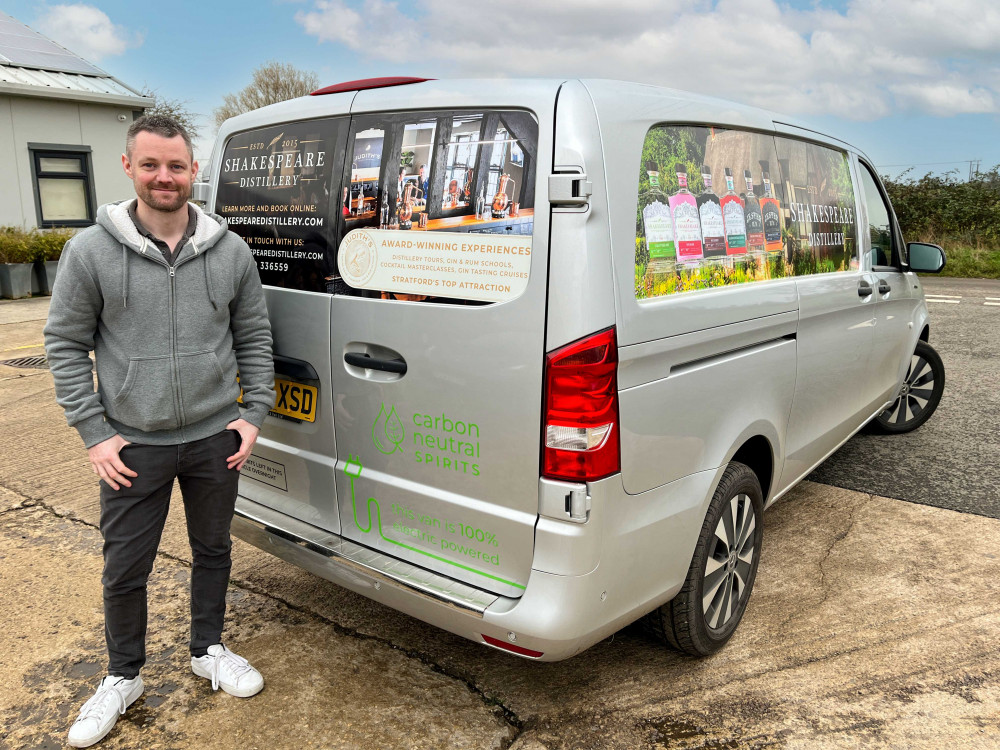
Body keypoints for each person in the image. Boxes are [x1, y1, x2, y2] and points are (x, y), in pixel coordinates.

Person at [43, 114, 275, 748]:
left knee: (214, 552)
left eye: (176, 165)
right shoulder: (89, 252)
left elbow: (253, 337)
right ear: (128, 168)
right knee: (125, 569)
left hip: (213, 441)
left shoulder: (231, 251)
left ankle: (208, 649)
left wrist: (252, 416)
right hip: (132, 445)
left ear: (193, 169)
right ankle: (123, 676)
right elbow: (64, 344)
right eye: (150, 165)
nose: (164, 177)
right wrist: (94, 431)